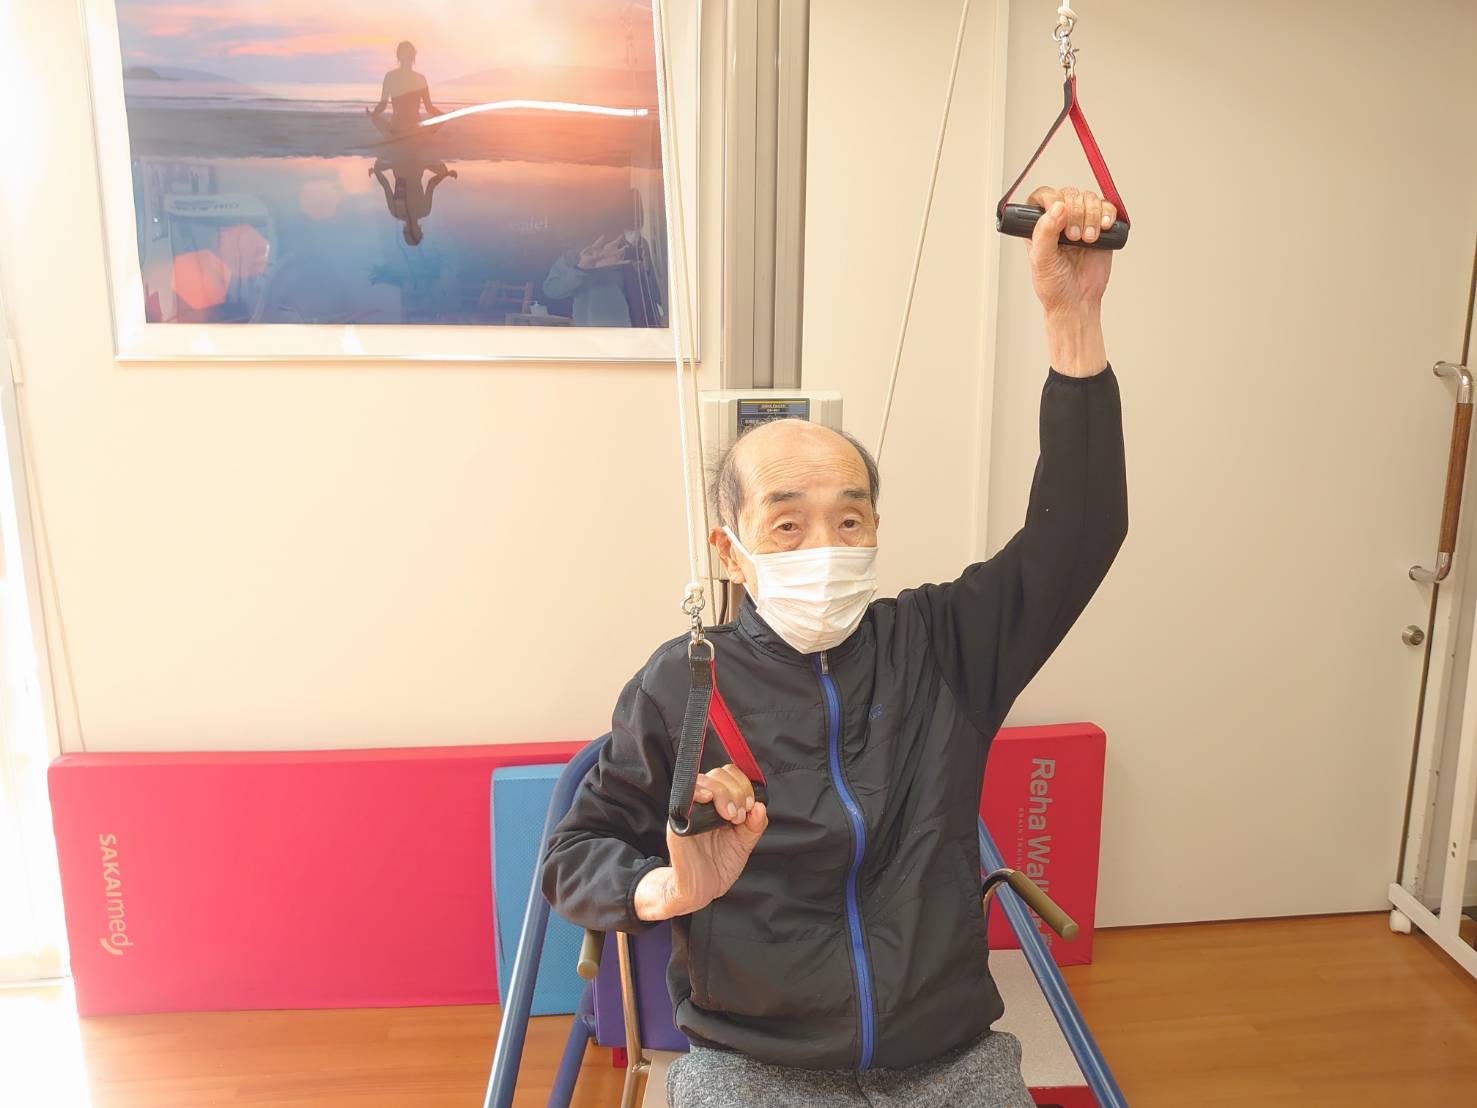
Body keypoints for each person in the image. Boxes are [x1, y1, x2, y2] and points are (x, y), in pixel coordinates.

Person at [542, 185, 1128, 1107]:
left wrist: (1072, 318)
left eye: (848, 519)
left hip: (947, 1057)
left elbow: (1081, 530)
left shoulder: (941, 644)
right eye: (786, 524)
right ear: (728, 548)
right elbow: (574, 853)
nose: (824, 545)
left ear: (875, 530)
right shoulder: (682, 684)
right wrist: (668, 889)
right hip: (752, 1064)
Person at [542, 229, 664, 327]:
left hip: (646, 329)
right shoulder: (580, 253)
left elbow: (660, 296)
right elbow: (551, 289)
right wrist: (582, 268)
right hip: (602, 337)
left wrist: (647, 270)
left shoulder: (640, 244)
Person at [370, 154, 455, 246]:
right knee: (443, 171)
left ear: (418, 230)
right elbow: (386, 185)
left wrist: (446, 174)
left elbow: (431, 183)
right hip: (402, 164)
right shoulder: (396, 212)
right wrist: (376, 172)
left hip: (414, 164)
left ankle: (423, 161)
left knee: (443, 171)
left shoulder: (424, 211)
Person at [367, 41, 445, 138]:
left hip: (396, 128)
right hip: (414, 128)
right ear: (413, 57)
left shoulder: (390, 76)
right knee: (438, 120)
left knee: (375, 118)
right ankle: (424, 135)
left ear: (398, 57)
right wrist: (442, 116)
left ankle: (399, 135)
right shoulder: (420, 78)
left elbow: (382, 105)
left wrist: (373, 114)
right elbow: (429, 107)